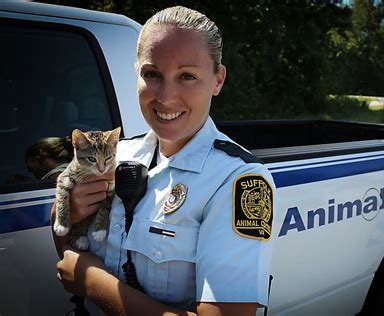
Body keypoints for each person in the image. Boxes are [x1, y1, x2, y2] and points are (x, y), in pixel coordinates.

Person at [53, 6, 277, 316]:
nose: (166, 96)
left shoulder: (238, 181)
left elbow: (80, 273)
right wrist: (65, 213)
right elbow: (67, 249)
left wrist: (92, 282)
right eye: (152, 74)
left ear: (218, 80)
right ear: (137, 74)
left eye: (187, 76)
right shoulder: (115, 155)